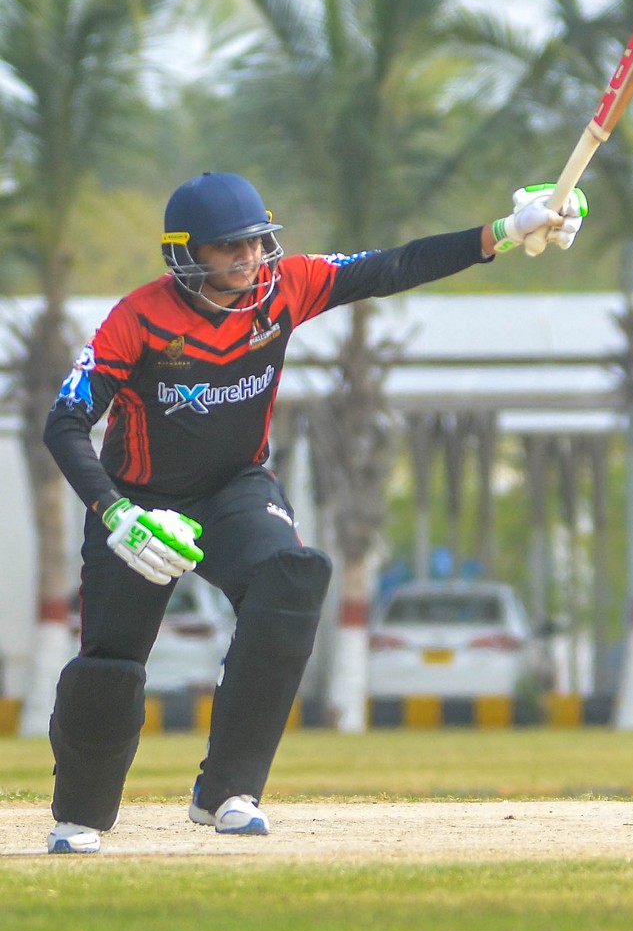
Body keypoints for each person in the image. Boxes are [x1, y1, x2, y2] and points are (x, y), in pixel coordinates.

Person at [42, 171, 587, 853]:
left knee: (293, 576)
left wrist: (502, 233)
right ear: (185, 253)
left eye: (256, 241)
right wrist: (116, 513)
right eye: (228, 247)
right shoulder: (138, 318)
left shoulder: (286, 286)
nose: (249, 258)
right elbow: (65, 423)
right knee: (112, 663)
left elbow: (392, 266)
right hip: (140, 502)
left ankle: (227, 792)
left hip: (235, 488)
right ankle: (80, 816)